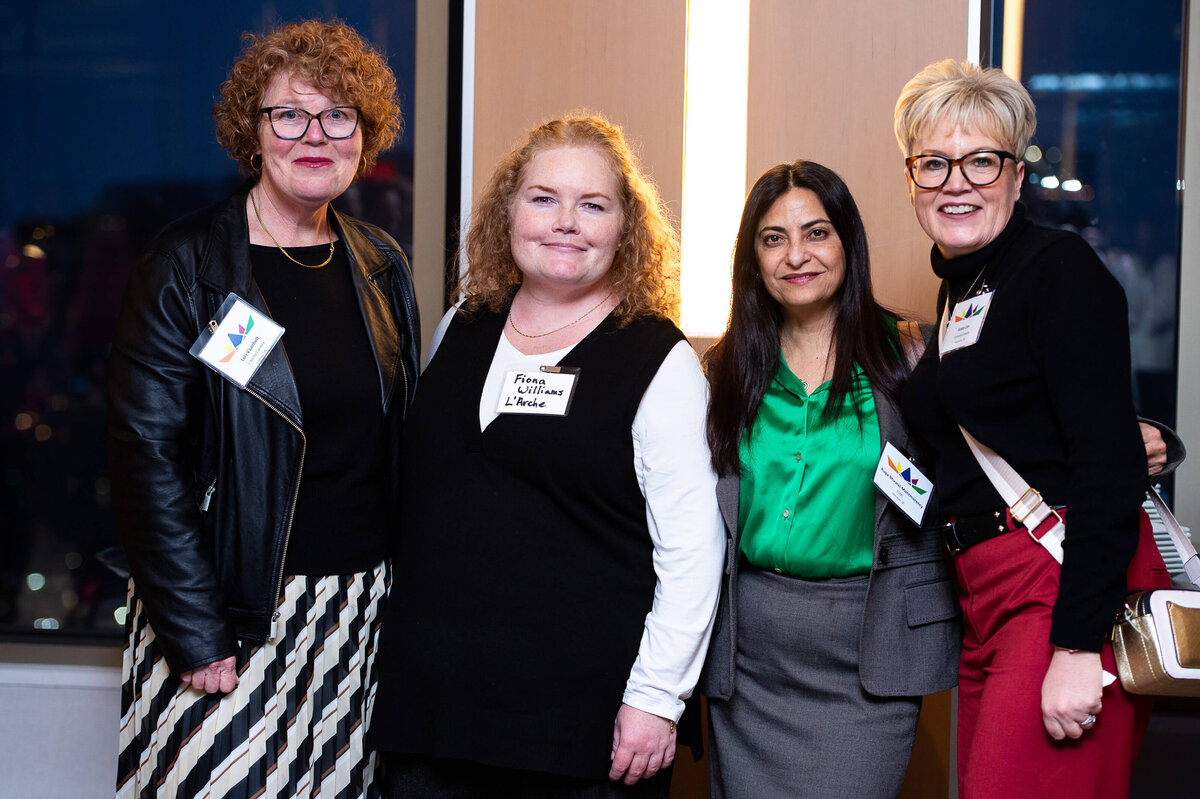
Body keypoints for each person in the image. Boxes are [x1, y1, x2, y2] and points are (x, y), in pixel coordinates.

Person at [367, 113, 725, 798]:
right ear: (509, 213)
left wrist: (657, 698)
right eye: (543, 198)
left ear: (625, 229)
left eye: (593, 205)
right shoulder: (459, 326)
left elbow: (693, 549)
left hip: (581, 736)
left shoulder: (660, 360)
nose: (566, 222)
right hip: (436, 721)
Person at [107, 20, 418, 798]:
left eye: (338, 115)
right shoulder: (188, 265)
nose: (314, 135)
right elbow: (146, 457)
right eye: (290, 114)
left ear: (364, 134)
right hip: (230, 613)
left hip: (357, 617)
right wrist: (195, 627)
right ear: (254, 131)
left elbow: (401, 445)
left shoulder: (380, 263)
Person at [893, 59, 1171, 798]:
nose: (957, 181)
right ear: (911, 179)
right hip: (984, 596)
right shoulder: (963, 290)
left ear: (1017, 176)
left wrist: (1080, 642)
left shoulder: (1057, 269)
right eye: (934, 162)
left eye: (982, 160)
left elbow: (1107, 462)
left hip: (1057, 580)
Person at [700, 161, 961, 799]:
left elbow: (1014, 431)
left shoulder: (912, 355)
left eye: (816, 233)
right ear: (752, 257)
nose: (796, 255)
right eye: (773, 238)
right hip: (748, 660)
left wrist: (1138, 438)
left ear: (847, 241)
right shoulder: (724, 369)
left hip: (869, 654)